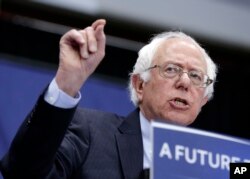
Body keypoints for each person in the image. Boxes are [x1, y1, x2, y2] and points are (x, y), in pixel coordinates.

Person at [0, 19, 217, 179]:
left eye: (196, 76)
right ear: (140, 85)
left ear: (203, 100)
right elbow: (22, 172)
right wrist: (66, 84)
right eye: (171, 69)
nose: (185, 82)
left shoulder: (220, 162)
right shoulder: (89, 132)